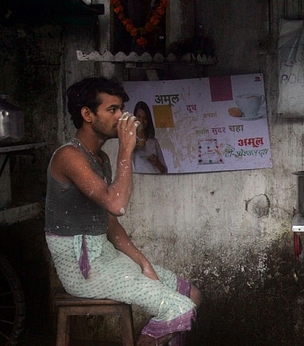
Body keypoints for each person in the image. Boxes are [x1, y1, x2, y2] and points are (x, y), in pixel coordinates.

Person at [44, 76, 201, 346]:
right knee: (179, 308)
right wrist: (126, 150)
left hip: (105, 257)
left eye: (120, 109)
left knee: (191, 295)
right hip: (84, 270)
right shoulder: (69, 156)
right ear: (87, 114)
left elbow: (110, 222)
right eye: (112, 110)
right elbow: (117, 205)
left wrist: (144, 264)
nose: (121, 117)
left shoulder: (100, 158)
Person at [132, 101, 168, 174]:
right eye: (139, 117)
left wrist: (156, 162)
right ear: (134, 118)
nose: (141, 121)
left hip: (154, 182)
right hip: (137, 182)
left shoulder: (153, 142)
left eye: (144, 118)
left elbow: (164, 171)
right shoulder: (129, 139)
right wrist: (132, 148)